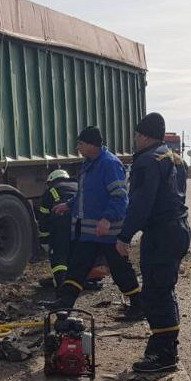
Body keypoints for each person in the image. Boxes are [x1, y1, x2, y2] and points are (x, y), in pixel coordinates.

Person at [116, 112, 190, 373]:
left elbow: (141, 203)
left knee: (157, 293)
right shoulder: (176, 159)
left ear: (144, 136)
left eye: (136, 136)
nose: (135, 140)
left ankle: (163, 355)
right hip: (179, 229)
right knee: (162, 289)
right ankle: (164, 348)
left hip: (161, 233)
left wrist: (125, 236)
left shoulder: (147, 161)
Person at [54, 127, 143, 315]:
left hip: (109, 234)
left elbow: (120, 196)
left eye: (80, 144)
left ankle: (138, 305)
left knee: (120, 271)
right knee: (77, 267)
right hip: (90, 234)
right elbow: (85, 195)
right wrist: (69, 205)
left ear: (91, 144)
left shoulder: (110, 164)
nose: (77, 147)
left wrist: (107, 219)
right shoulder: (88, 164)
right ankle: (64, 304)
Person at [36, 169, 78, 288]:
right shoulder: (78, 186)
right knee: (79, 252)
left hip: (61, 218)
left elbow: (43, 219)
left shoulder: (51, 191)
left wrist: (45, 241)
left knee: (59, 254)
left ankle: (61, 285)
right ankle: (81, 282)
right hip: (82, 219)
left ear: (51, 181)